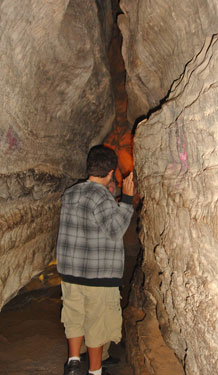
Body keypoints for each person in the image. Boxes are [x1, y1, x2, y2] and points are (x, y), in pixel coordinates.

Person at [56, 145, 134, 375]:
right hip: (97, 276)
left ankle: (73, 363)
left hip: (71, 273)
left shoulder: (70, 193)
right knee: (96, 324)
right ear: (110, 172)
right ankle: (95, 371)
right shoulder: (101, 196)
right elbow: (115, 229)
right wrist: (127, 199)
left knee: (74, 317)